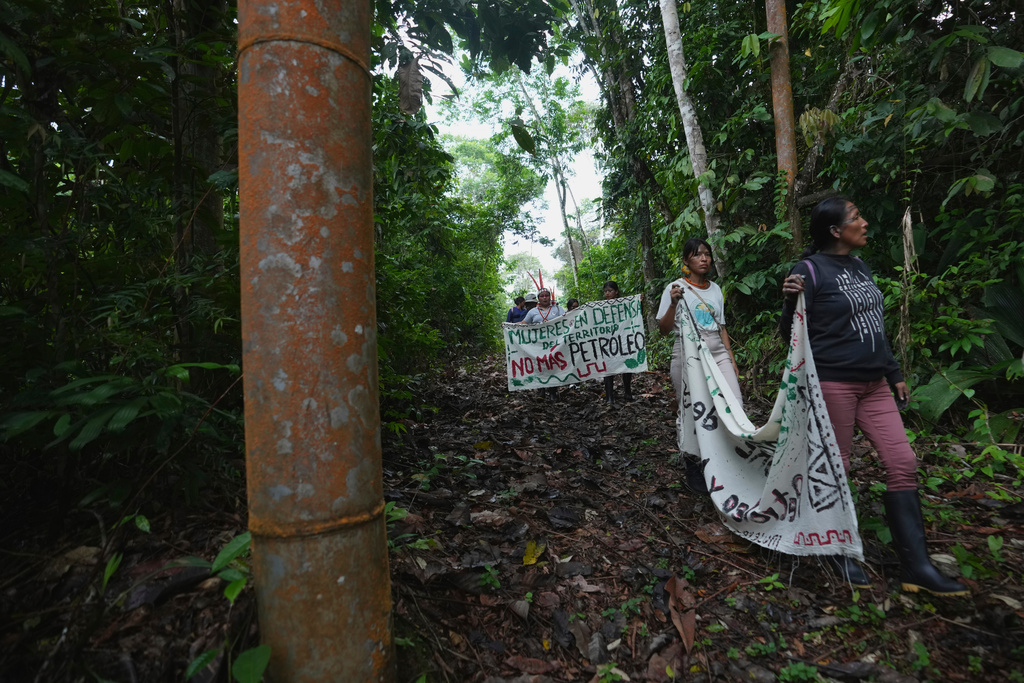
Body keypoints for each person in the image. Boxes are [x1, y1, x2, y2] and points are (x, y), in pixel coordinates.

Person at [780, 196, 968, 596]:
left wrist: (893, 371)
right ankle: (837, 549)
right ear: (835, 231)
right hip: (835, 383)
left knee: (903, 461)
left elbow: (874, 324)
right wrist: (787, 300)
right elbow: (791, 336)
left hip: (875, 384)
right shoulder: (809, 271)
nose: (864, 222)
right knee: (839, 466)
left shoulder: (859, 265)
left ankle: (916, 567)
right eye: (855, 218)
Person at [657, 239, 742, 491]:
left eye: (707, 254)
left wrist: (731, 359)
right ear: (686, 261)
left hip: (716, 350)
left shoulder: (715, 289)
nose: (704, 259)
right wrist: (673, 303)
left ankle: (729, 461)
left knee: (734, 404)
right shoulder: (675, 288)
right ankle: (695, 466)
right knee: (694, 411)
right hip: (687, 354)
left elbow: (721, 326)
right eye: (697, 255)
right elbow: (663, 329)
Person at [601, 281, 633, 404]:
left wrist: (637, 302)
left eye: (610, 291)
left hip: (623, 339)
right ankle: (609, 396)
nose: (607, 293)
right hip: (608, 341)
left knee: (626, 365)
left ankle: (627, 392)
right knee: (608, 366)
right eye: (605, 291)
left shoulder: (624, 304)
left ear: (616, 291)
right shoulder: (601, 306)